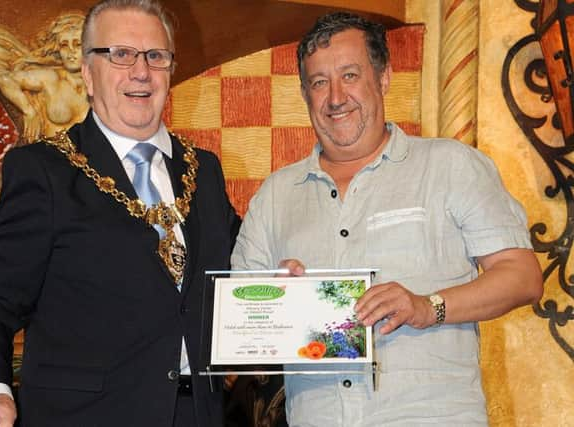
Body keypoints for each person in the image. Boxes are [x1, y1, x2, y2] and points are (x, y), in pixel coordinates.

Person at [231, 12, 543, 426]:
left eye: (350, 75)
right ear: (305, 95)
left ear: (383, 79)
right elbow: (240, 351)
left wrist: (426, 306)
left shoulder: (449, 165)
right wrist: (276, 308)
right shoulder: (275, 196)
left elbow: (522, 277)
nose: (336, 97)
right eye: (319, 82)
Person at [0, 1, 239, 426]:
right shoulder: (43, 171)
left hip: (197, 414)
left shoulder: (205, 169)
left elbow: (238, 272)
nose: (141, 71)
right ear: (88, 74)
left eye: (156, 56)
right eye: (120, 54)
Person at [0, 14, 89, 142]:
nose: (70, 52)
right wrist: (28, 110)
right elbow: (4, 79)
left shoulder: (103, 83)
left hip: (92, 159)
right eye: (64, 45)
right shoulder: (51, 78)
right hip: (51, 156)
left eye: (78, 44)